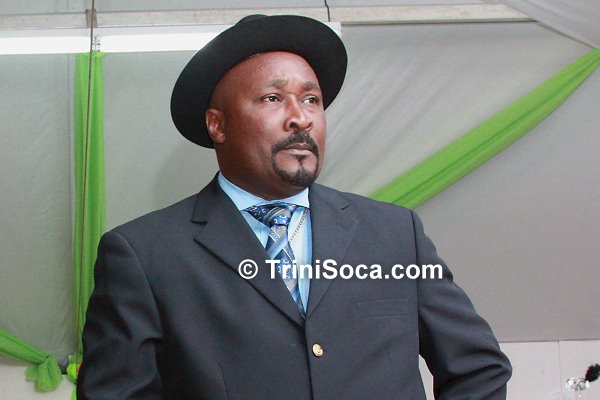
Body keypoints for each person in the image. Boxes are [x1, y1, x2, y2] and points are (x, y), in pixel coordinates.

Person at [78, 14, 511, 400]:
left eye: (311, 100)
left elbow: (478, 368)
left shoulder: (395, 233)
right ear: (218, 124)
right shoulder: (145, 254)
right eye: (272, 98)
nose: (301, 118)